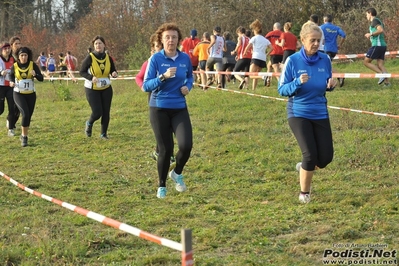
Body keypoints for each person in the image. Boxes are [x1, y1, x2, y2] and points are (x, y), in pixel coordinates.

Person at [278, 22, 336, 204]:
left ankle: (305, 167)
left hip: (320, 112)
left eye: (319, 41)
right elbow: (282, 89)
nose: (317, 44)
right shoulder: (293, 61)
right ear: (303, 40)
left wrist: (331, 85)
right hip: (298, 112)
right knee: (310, 154)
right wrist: (296, 83)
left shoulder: (325, 59)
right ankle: (304, 193)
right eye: (313, 40)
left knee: (325, 158)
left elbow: (326, 82)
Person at [142, 22, 193, 199]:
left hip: (179, 107)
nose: (171, 40)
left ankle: (176, 173)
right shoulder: (156, 59)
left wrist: (188, 87)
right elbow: (146, 85)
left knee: (186, 146)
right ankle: (161, 185)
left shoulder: (185, 58)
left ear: (179, 39)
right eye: (167, 37)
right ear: (161, 40)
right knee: (166, 149)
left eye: (174, 37)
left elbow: (190, 77)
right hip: (159, 108)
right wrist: (162, 77)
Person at [135, 33, 176, 167]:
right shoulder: (150, 62)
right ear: (153, 49)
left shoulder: (172, 59)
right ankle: (164, 153)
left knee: (170, 126)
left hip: (171, 97)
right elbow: (139, 77)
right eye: (157, 46)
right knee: (162, 126)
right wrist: (143, 87)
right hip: (155, 98)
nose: (160, 48)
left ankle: (163, 152)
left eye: (161, 45)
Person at [79, 35, 118, 139]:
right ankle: (89, 123)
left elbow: (113, 70)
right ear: (93, 46)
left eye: (100, 43)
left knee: (106, 112)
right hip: (92, 89)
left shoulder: (108, 58)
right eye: (96, 43)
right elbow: (81, 72)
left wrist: (114, 73)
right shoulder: (90, 57)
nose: (98, 45)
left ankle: (103, 134)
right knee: (97, 112)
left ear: (104, 45)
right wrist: (91, 77)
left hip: (106, 88)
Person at [9, 47, 44, 147]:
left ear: (28, 56)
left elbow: (41, 78)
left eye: (25, 55)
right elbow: (10, 75)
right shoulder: (15, 66)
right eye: (22, 55)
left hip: (31, 94)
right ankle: (24, 137)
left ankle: (23, 134)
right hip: (18, 93)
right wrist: (11, 81)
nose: (24, 57)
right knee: (25, 113)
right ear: (18, 57)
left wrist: (36, 74)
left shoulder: (32, 65)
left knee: (28, 116)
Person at [363, 7, 390, 86]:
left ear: (370, 13)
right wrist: (371, 37)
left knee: (366, 62)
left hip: (377, 45)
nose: (366, 16)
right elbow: (382, 32)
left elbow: (380, 30)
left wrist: (370, 34)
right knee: (380, 65)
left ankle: (381, 74)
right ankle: (387, 83)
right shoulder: (378, 21)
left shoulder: (374, 21)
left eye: (366, 14)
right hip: (382, 45)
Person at [243, 19, 271, 91]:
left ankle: (263, 76)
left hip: (256, 57)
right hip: (263, 58)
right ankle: (253, 90)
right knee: (256, 74)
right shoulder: (265, 40)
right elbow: (272, 48)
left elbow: (248, 46)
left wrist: (245, 52)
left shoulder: (254, 38)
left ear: (255, 30)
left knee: (251, 74)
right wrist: (267, 54)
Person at [321, 14, 346, 87]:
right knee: (326, 65)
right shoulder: (336, 28)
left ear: (325, 20)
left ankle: (339, 77)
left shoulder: (322, 27)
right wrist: (340, 44)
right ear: (331, 21)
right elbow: (344, 35)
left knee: (326, 65)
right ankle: (335, 78)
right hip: (334, 49)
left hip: (326, 49)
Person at [0, 41, 17, 136]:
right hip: (1, 87)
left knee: (12, 107)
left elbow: (16, 71)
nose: (7, 50)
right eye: (5, 49)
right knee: (1, 109)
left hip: (10, 87)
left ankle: (10, 128)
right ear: (1, 50)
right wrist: (0, 73)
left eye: (8, 48)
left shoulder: (12, 59)